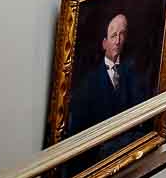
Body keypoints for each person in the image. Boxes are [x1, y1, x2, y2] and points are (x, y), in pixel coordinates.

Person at [66, 12, 154, 146]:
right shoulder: (89, 83)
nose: (118, 41)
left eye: (122, 34)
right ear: (104, 43)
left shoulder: (133, 74)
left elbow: (145, 119)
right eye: (113, 36)